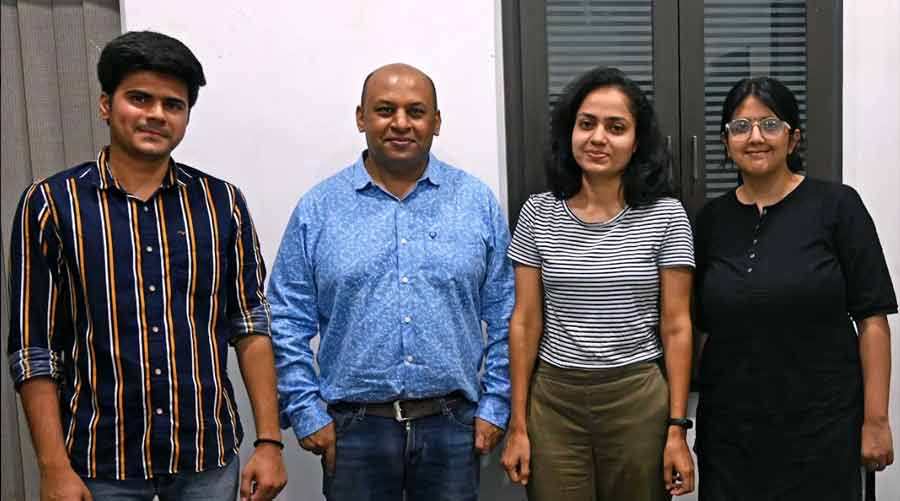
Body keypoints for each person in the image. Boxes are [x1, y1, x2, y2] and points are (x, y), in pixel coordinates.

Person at [7, 31, 286, 501]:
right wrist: (52, 467)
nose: (156, 114)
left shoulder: (222, 204)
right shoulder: (52, 204)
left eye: (173, 105)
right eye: (139, 98)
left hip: (207, 461)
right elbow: (35, 349)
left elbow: (251, 327)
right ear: (105, 104)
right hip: (99, 463)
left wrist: (270, 441)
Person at [269, 63, 515, 501]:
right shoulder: (319, 209)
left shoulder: (475, 202)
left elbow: (506, 313)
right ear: (361, 117)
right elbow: (286, 318)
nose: (401, 123)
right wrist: (305, 411)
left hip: (454, 427)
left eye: (416, 111)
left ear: (435, 122)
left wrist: (497, 405)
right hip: (354, 430)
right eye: (385, 109)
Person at [693, 76, 896, 500]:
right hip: (732, 436)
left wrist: (876, 420)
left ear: (793, 138)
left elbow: (872, 319)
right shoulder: (710, 221)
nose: (755, 138)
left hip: (823, 429)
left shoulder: (838, 206)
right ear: (726, 140)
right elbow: (700, 330)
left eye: (769, 125)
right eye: (740, 127)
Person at [500, 67, 695, 500]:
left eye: (616, 127)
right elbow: (525, 322)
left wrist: (677, 430)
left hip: (637, 399)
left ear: (637, 140)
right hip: (553, 402)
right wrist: (518, 424)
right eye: (586, 124)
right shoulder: (537, 213)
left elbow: (678, 326)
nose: (598, 138)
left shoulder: (666, 215)